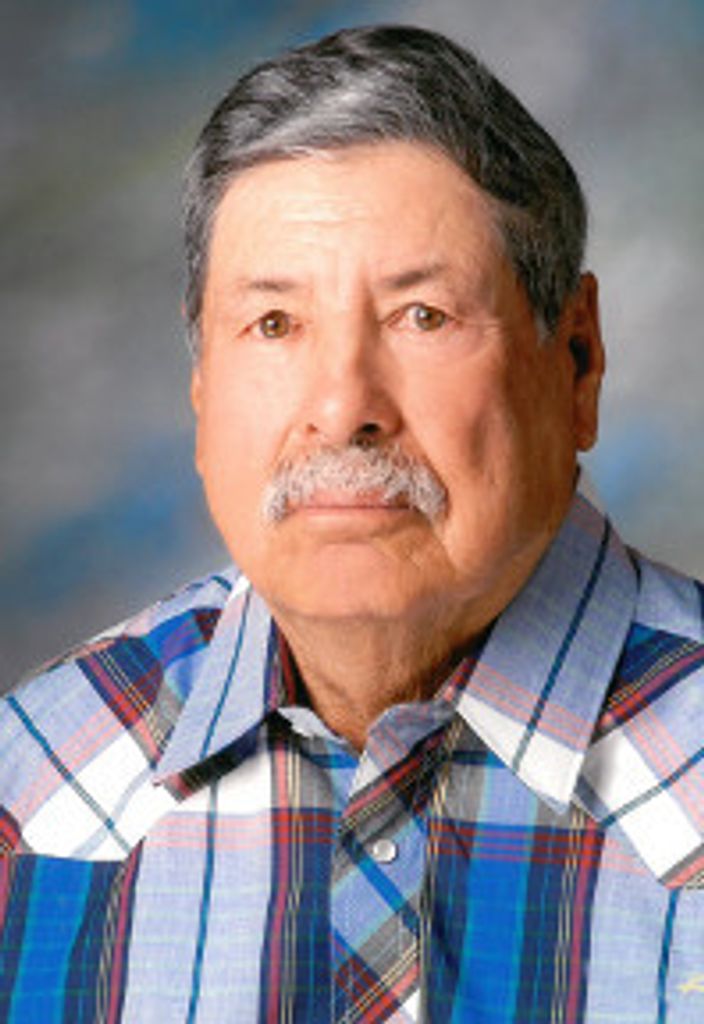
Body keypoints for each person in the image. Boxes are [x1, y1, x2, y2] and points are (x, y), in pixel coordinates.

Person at [1, 23, 702, 1024]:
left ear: (577, 361)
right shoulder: (28, 798)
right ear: (201, 385)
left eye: (423, 316)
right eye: (274, 324)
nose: (341, 409)